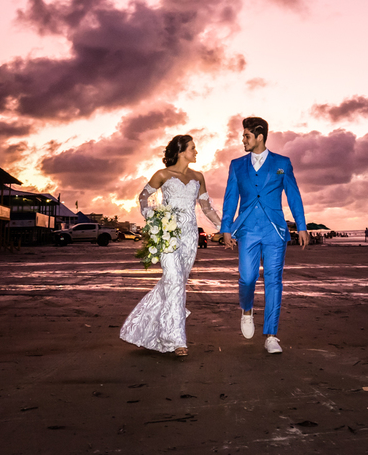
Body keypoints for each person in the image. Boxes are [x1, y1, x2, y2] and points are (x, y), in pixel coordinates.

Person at [120, 135, 222, 357]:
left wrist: (222, 227)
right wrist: (154, 218)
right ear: (181, 151)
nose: (196, 152)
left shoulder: (198, 176)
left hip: (189, 237)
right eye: (193, 148)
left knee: (176, 283)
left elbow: (206, 207)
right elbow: (144, 197)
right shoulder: (162, 175)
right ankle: (177, 341)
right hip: (167, 235)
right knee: (174, 280)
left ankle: (145, 328)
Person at [221, 117, 308, 355]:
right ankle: (246, 310)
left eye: (246, 135)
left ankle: (271, 335)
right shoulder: (237, 165)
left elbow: (293, 195)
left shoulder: (282, 163)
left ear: (259, 137)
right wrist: (226, 228)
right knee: (247, 279)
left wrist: (301, 226)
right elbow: (230, 198)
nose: (243, 139)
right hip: (247, 230)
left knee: (273, 281)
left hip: (275, 231)